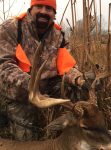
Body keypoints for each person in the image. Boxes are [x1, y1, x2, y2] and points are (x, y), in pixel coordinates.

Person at [0, 0, 89, 141]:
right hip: (18, 94)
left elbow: (66, 66)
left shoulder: (58, 34)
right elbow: (3, 66)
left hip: (46, 90)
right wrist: (31, 84)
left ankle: (74, 129)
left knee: (79, 92)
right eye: (39, 6)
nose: (43, 11)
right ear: (31, 8)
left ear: (54, 13)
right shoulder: (11, 27)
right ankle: (6, 117)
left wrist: (80, 79)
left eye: (49, 8)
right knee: (29, 139)